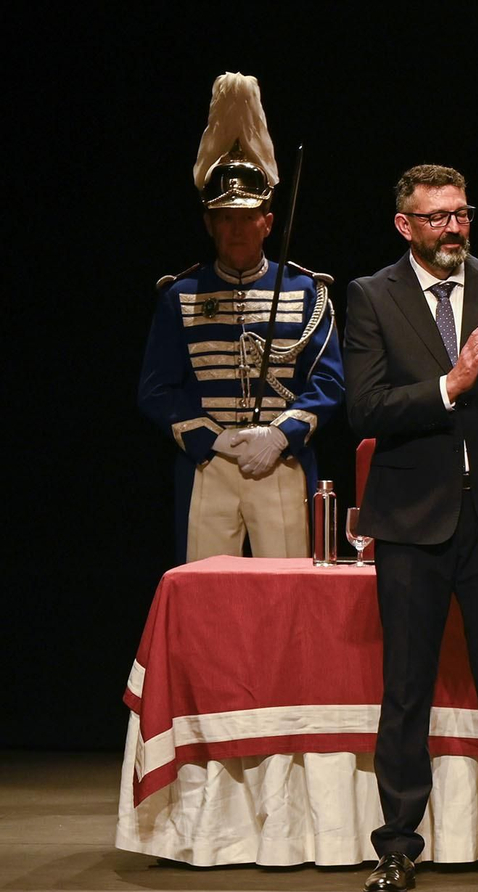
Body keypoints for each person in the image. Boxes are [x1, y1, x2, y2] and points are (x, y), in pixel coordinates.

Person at [345, 165, 478, 892]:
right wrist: (451, 384)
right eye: (437, 218)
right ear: (405, 225)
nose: (454, 228)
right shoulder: (372, 296)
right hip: (411, 519)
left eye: (462, 214)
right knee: (405, 687)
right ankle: (398, 844)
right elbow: (366, 408)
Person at [139, 72, 343, 564]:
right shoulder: (180, 296)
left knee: (289, 593)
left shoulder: (305, 290)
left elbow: (330, 384)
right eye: (224, 217)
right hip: (211, 464)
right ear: (209, 224)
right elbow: (156, 390)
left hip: (282, 459)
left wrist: (280, 435)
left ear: (267, 222)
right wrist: (215, 438)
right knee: (208, 598)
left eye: (247, 216)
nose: (236, 228)